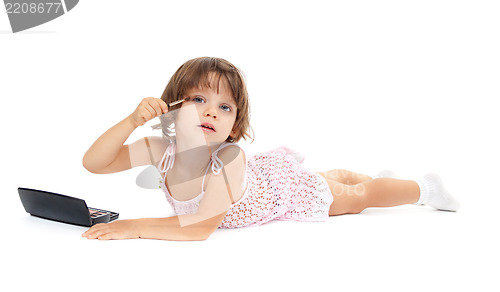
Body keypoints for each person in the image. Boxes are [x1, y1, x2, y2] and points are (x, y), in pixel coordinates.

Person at [81, 57, 460, 241]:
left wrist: (131, 226)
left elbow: (198, 229)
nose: (212, 110)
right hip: (266, 178)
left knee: (356, 197)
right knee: (333, 177)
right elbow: (95, 163)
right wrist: (131, 121)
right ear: (173, 105)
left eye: (225, 107)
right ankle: (375, 176)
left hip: (283, 194)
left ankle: (424, 187)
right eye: (199, 99)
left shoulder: (227, 158)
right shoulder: (159, 147)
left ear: (234, 124)